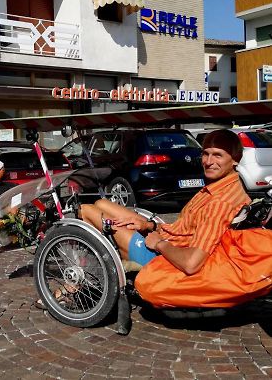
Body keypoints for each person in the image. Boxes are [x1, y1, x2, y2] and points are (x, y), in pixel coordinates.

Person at [80, 129, 251, 301]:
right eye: (205, 154)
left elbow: (192, 264)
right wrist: (149, 226)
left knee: (86, 211)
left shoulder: (219, 203)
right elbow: (185, 229)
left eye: (218, 155)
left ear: (235, 159)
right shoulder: (225, 187)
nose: (208, 161)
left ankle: (80, 281)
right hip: (168, 239)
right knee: (101, 204)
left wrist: (159, 243)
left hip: (160, 256)